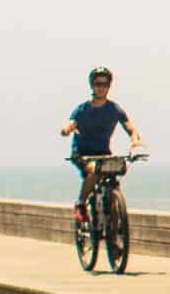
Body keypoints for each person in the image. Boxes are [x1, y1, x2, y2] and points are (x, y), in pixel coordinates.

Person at [60, 67, 143, 222]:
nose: (101, 87)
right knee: (95, 171)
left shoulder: (114, 109)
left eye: (105, 84)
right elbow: (69, 125)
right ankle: (81, 204)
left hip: (103, 153)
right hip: (82, 154)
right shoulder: (82, 109)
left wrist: (135, 141)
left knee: (115, 175)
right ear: (92, 85)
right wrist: (67, 129)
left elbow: (130, 128)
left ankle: (114, 226)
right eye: (98, 84)